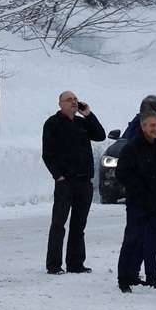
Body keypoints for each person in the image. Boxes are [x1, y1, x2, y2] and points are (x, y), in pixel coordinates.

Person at [42, 91, 106, 275]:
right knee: (59, 223)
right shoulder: (53, 124)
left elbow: (100, 135)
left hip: (83, 180)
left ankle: (75, 263)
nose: (74, 102)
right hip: (65, 182)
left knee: (79, 224)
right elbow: (48, 154)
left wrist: (88, 114)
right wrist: (58, 176)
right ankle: (54, 264)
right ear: (60, 103)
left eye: (75, 99)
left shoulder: (82, 123)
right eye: (69, 100)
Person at [115, 110, 156, 293]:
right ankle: (124, 278)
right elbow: (121, 173)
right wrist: (139, 189)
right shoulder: (132, 147)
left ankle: (144, 275)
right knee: (132, 239)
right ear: (143, 126)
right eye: (152, 125)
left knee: (152, 241)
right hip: (138, 202)